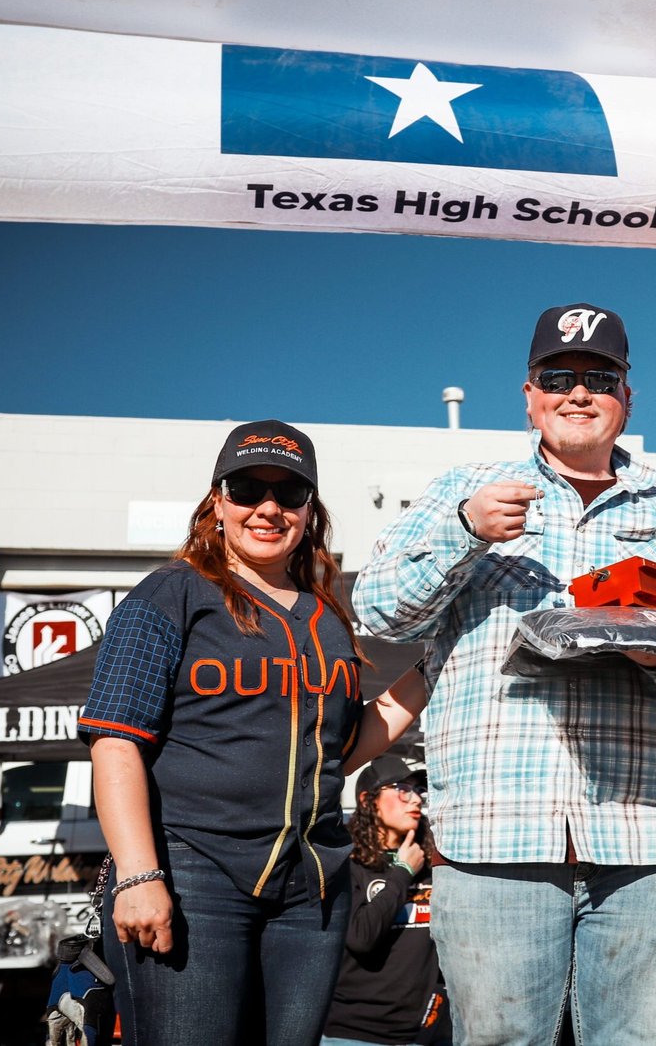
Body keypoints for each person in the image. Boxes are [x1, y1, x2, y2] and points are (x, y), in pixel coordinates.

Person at [353, 302, 656, 1046]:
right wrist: (466, 531)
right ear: (530, 395)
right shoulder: (464, 490)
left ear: (626, 397)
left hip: (651, 839)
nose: (578, 392)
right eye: (558, 377)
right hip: (494, 835)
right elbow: (378, 609)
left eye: (599, 379)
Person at [78, 419, 427, 1046]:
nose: (268, 508)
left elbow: (342, 750)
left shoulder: (326, 615)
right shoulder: (170, 594)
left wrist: (434, 670)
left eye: (289, 493)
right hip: (192, 874)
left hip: (312, 889)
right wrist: (137, 874)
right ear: (217, 501)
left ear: (309, 509)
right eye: (247, 489)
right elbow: (115, 741)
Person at [323, 759, 448, 1046]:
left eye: (419, 791)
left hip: (424, 1034)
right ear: (368, 800)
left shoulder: (432, 861)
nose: (416, 799)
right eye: (402, 789)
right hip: (353, 1034)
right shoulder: (345, 863)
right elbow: (361, 937)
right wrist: (402, 872)